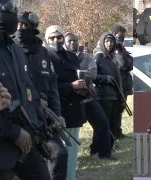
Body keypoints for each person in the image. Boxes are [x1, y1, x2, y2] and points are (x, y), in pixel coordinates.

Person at [0, 0, 52, 179]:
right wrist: (13, 133)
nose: (14, 13)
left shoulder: (15, 49)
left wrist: (41, 128)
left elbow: (29, 91)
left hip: (26, 143)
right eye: (8, 8)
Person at [14, 11, 68, 180]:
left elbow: (52, 87)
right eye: (17, 25)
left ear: (32, 28)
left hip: (44, 119)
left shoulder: (43, 53)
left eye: (23, 26)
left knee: (60, 154)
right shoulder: (11, 51)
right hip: (20, 119)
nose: (19, 29)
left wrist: (57, 114)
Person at [45, 25, 87, 180]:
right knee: (56, 153)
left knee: (72, 151)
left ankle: (70, 177)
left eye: (59, 37)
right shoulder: (44, 56)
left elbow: (76, 77)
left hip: (74, 108)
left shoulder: (72, 56)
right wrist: (71, 86)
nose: (56, 40)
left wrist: (82, 88)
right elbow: (48, 86)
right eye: (52, 38)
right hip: (55, 110)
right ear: (47, 39)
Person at [64, 32, 115, 159]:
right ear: (64, 42)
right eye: (69, 41)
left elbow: (93, 73)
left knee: (102, 122)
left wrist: (77, 73)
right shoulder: (61, 57)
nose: (72, 43)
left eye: (74, 40)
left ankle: (103, 153)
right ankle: (68, 157)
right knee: (69, 129)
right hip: (68, 99)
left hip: (87, 96)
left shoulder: (86, 57)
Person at [93, 33, 125, 143]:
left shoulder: (114, 58)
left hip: (114, 97)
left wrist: (121, 98)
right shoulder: (99, 57)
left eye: (111, 41)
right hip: (103, 97)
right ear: (103, 42)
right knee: (102, 124)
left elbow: (119, 77)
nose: (109, 44)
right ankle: (98, 148)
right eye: (107, 41)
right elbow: (92, 76)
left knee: (114, 124)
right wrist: (104, 78)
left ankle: (109, 147)